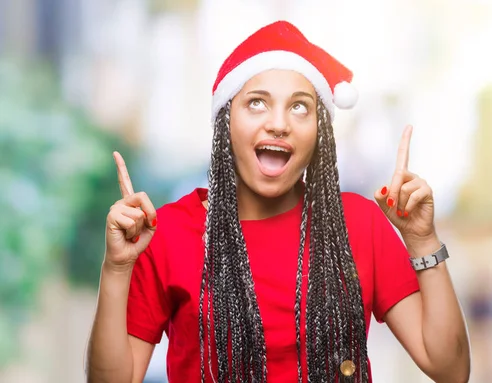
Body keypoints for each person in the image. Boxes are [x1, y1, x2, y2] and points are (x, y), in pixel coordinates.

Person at [85, 20, 470, 383]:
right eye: (257, 103)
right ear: (226, 121)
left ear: (319, 131)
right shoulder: (168, 231)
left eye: (300, 106)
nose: (279, 123)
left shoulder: (358, 224)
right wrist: (117, 268)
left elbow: (450, 369)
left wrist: (422, 240)